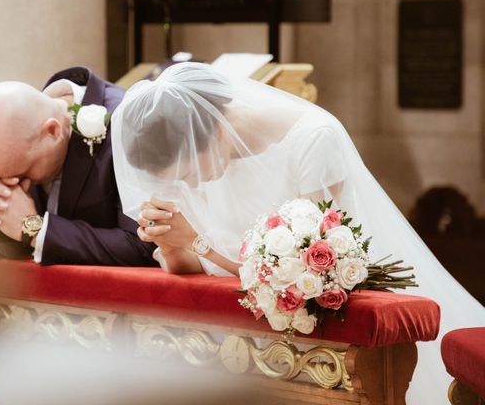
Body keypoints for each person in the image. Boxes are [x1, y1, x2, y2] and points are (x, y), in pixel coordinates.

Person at [111, 61, 485, 404]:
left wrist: (198, 242)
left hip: (319, 323)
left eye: (187, 171)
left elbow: (315, 275)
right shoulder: (203, 152)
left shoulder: (312, 139)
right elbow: (185, 266)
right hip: (235, 334)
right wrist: (167, 238)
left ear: (203, 130)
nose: (189, 183)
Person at [0, 67, 157, 267]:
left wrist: (36, 230)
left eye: (22, 173)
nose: (14, 185)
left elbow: (144, 245)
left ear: (52, 131)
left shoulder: (131, 126)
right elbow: (22, 239)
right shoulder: (23, 132)